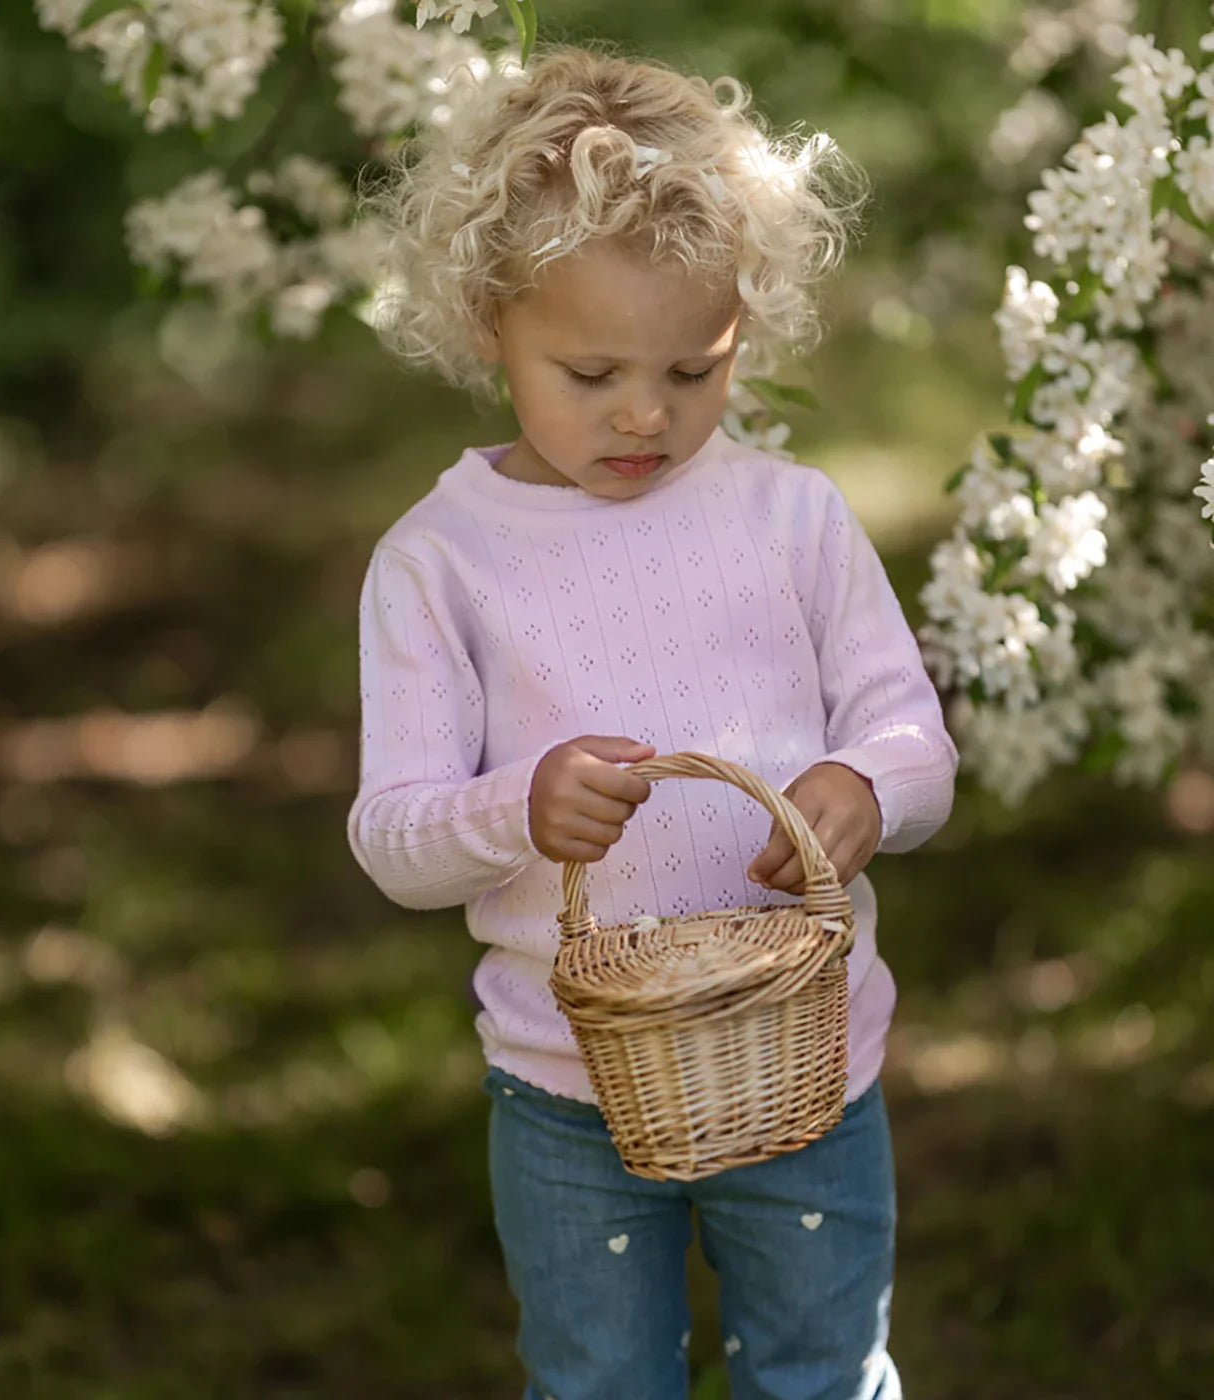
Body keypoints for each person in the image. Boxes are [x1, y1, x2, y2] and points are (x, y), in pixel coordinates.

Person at [346, 46, 957, 1400]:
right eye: (590, 370)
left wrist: (869, 784)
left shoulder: (793, 518)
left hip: (805, 1059)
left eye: (694, 367)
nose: (644, 412)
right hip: (566, 1088)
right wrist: (517, 807)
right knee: (597, 1378)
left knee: (822, 1367)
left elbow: (911, 735)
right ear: (488, 318)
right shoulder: (441, 562)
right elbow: (394, 838)